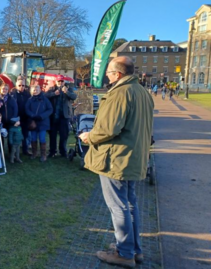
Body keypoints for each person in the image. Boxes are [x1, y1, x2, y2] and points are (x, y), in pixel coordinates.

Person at [78, 56, 154, 268]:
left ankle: (125, 253)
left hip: (116, 159)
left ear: (118, 74)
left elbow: (108, 129)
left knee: (118, 206)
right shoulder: (142, 92)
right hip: (132, 156)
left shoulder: (121, 93)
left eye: (109, 73)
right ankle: (133, 249)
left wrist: (88, 137)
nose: (107, 77)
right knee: (130, 204)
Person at [44, 75, 77, 158]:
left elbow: (74, 97)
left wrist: (67, 92)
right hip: (54, 115)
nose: (60, 83)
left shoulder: (68, 88)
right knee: (52, 135)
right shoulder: (52, 89)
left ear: (64, 82)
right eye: (59, 81)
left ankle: (63, 151)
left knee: (64, 135)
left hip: (64, 116)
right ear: (56, 82)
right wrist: (53, 94)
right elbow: (45, 96)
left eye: (62, 81)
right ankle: (52, 151)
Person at [26, 85, 53, 162]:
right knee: (33, 138)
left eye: (37, 89)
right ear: (31, 91)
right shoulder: (30, 100)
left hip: (43, 122)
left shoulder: (45, 99)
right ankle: (34, 153)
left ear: (40, 90)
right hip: (33, 122)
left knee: (42, 138)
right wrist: (32, 115)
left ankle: (43, 155)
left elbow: (50, 109)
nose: (35, 91)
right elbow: (27, 109)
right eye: (34, 90)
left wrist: (42, 116)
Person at [10, 79, 31, 155]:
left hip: (25, 117)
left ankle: (25, 150)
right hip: (16, 118)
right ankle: (14, 152)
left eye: (23, 85)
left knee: (25, 135)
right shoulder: (12, 94)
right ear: (16, 85)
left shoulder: (28, 94)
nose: (21, 87)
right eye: (19, 85)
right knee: (16, 135)